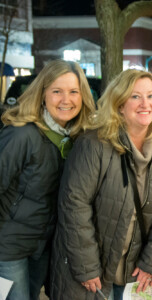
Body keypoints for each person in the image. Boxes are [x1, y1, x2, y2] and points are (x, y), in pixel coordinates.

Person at [49, 69, 152, 300]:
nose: (145, 104)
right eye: (135, 96)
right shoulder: (93, 144)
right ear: (120, 104)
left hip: (137, 271)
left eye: (151, 96)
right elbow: (74, 206)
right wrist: (86, 266)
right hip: (93, 271)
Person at [0, 59, 95, 300]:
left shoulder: (76, 138)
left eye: (74, 91)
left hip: (43, 246)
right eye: (57, 91)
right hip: (8, 246)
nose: (66, 100)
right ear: (42, 94)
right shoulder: (22, 134)